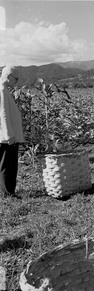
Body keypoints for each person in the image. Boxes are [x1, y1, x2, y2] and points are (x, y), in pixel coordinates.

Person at [0, 65, 25, 198]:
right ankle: (8, 193)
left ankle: (8, 192)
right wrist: (9, 135)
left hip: (6, 135)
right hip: (6, 137)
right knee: (8, 166)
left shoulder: (4, 89)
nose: (17, 81)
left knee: (8, 165)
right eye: (16, 78)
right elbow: (3, 114)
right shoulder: (2, 89)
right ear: (8, 77)